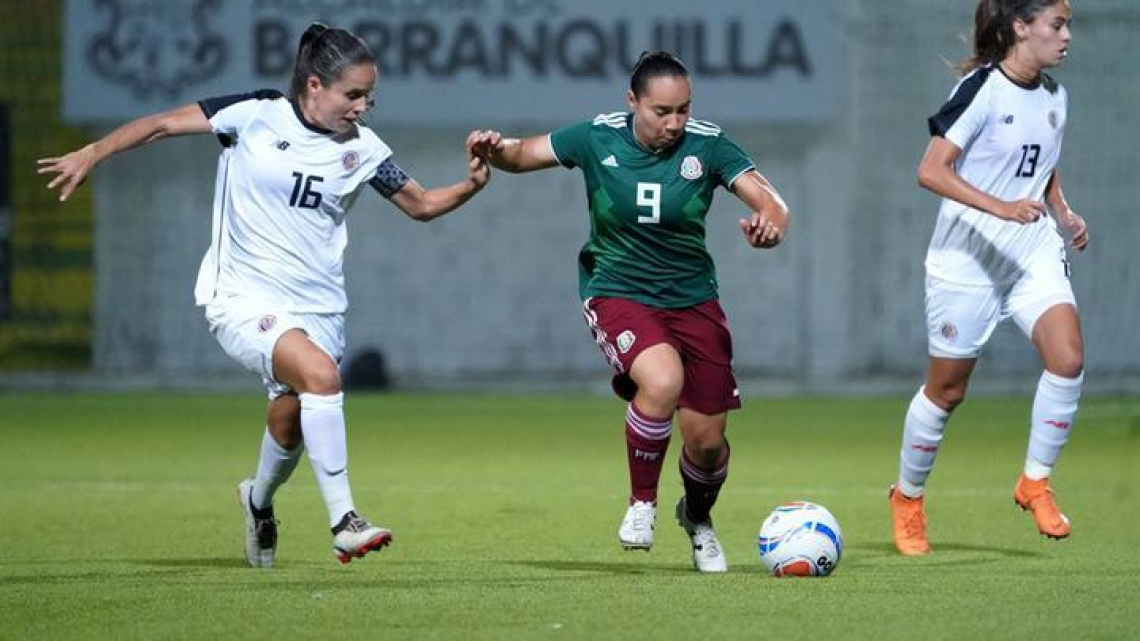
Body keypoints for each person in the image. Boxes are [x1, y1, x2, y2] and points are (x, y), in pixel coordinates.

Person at [38, 23, 491, 568]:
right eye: (353, 94)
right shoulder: (254, 114)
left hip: (319, 309)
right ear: (315, 85)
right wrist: (94, 151)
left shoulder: (365, 149)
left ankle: (257, 500)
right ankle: (345, 520)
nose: (363, 106)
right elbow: (160, 125)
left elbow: (419, 203)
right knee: (322, 376)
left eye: (370, 95)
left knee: (290, 418)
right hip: (241, 297)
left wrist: (469, 185)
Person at [470, 51, 789, 573]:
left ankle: (699, 519)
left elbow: (771, 202)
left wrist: (769, 225)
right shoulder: (596, 136)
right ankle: (643, 503)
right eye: (662, 110)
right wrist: (494, 148)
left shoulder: (707, 144)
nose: (674, 122)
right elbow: (523, 154)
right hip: (617, 290)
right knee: (661, 380)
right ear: (632, 103)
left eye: (683, 109)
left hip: (693, 300)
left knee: (707, 445)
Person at [889, 0, 1089, 556]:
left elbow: (1041, 165)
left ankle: (1035, 481)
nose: (1067, 36)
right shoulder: (982, 90)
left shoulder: (1056, 96)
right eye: (1057, 25)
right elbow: (930, 170)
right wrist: (1000, 207)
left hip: (1029, 251)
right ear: (1020, 28)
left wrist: (1063, 211)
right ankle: (907, 498)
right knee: (948, 390)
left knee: (1067, 359)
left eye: (1068, 24)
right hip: (966, 259)